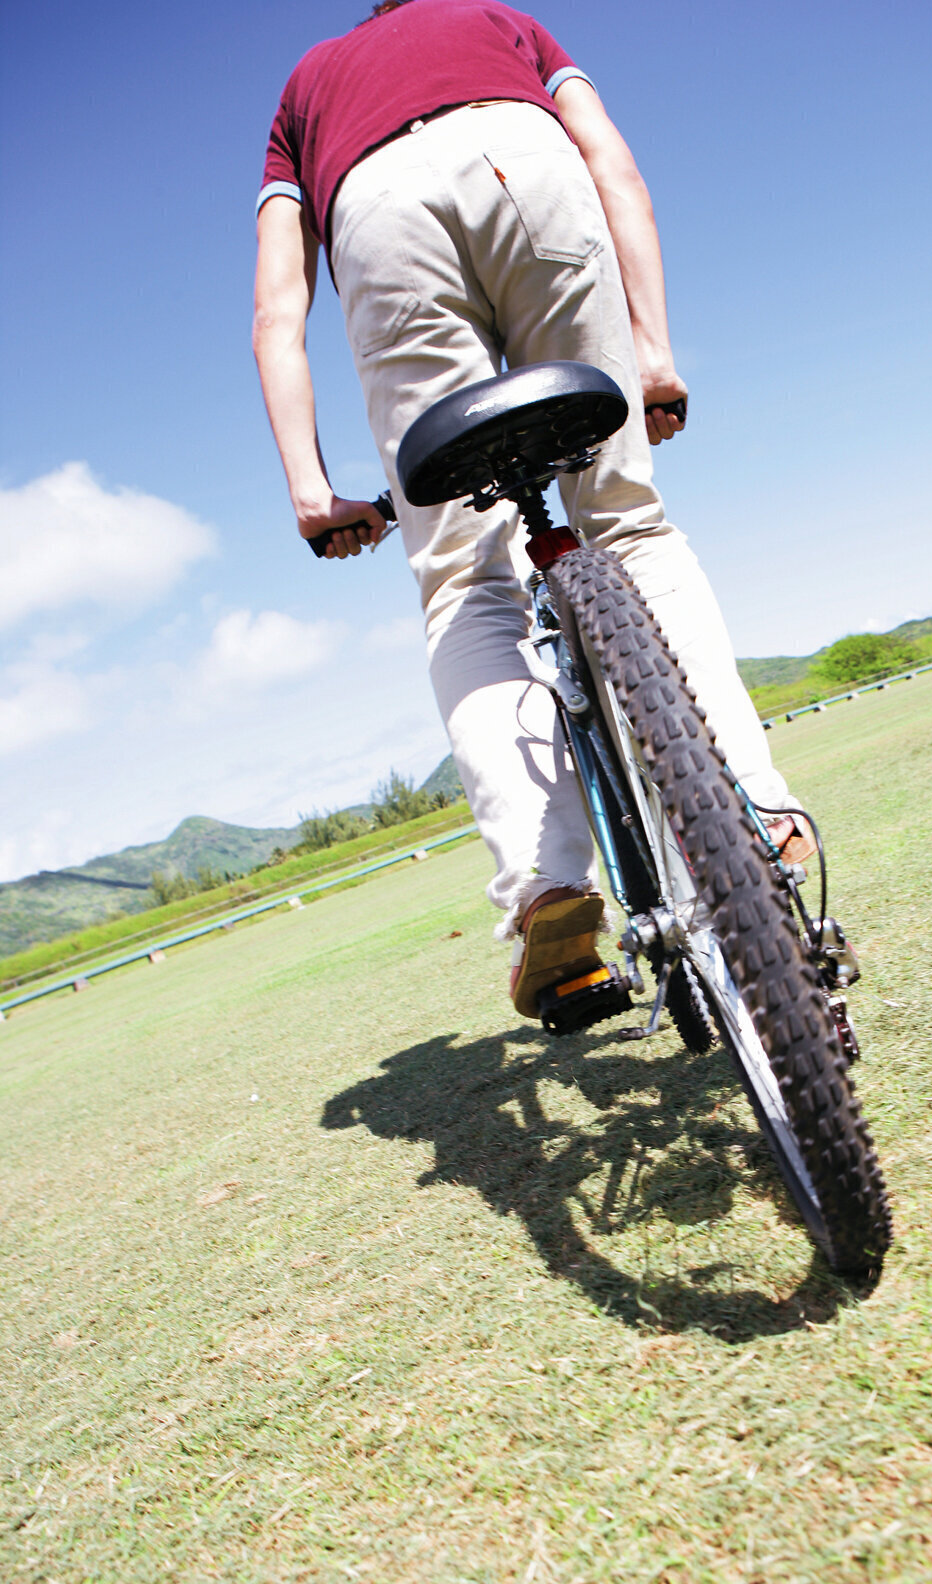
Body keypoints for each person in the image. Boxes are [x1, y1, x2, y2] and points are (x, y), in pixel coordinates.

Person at [253, 0, 813, 1018]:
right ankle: (759, 810)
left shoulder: (308, 84)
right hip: (528, 159)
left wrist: (311, 490)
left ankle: (548, 887)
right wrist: (651, 353)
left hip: (373, 212)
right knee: (629, 522)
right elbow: (613, 165)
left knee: (469, 583)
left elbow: (278, 308)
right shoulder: (503, 22)